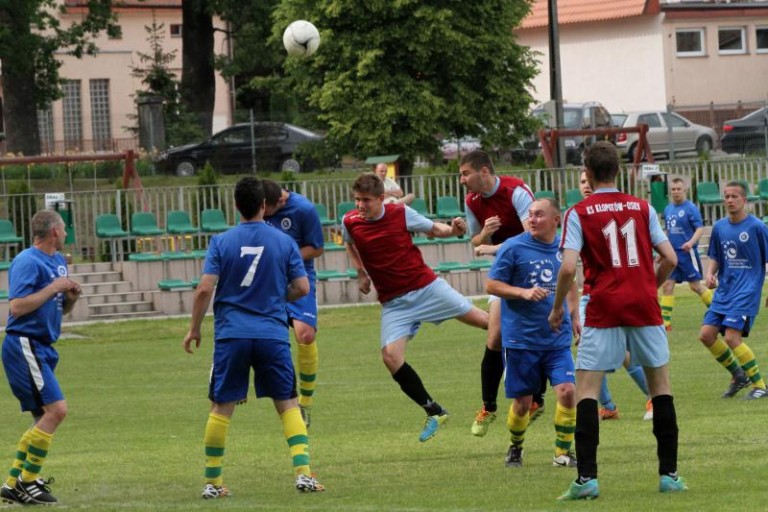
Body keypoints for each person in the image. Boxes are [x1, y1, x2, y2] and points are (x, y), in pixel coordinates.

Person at [549, 141, 686, 500]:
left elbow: (567, 268)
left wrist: (557, 306)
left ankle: (587, 480)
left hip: (603, 308)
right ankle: (669, 475)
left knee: (587, 392)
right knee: (661, 389)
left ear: (588, 174)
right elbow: (670, 258)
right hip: (644, 307)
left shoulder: (579, 212)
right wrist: (647, 288)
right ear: (619, 171)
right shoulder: (642, 208)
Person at [182, 178, 324, 498]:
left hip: (232, 334)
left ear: (235, 207)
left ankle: (213, 483)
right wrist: (276, 297)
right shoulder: (284, 242)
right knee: (287, 403)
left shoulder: (221, 241)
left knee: (221, 406)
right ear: (264, 205)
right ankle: (303, 474)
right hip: (271, 334)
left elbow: (205, 288)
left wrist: (194, 329)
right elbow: (302, 288)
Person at [342, 172, 488, 442]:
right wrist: (361, 272)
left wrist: (453, 230)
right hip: (394, 303)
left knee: (487, 322)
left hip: (426, 288)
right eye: (357, 200)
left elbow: (434, 229)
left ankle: (532, 341)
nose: (360, 206)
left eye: (366, 201)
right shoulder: (350, 221)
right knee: (391, 358)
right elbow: (350, 243)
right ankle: (434, 410)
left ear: (381, 199)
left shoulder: (400, 213)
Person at [485, 197, 580, 469]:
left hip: (556, 338)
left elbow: (570, 280)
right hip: (521, 339)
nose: (533, 219)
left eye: (539, 215)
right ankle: (515, 446)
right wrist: (522, 292)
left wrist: (575, 315)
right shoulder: (514, 247)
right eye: (530, 215)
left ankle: (562, 453)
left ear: (556, 220)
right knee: (523, 403)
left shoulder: (565, 247)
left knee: (567, 391)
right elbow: (492, 284)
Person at [1, 210, 81, 506]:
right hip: (25, 344)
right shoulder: (27, 261)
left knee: (42, 419)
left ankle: (12, 484)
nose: (66, 233)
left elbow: (61, 307)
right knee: (56, 410)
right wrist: (54, 288)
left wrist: (70, 296)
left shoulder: (59, 262)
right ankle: (28, 481)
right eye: (64, 228)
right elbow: (18, 307)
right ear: (55, 232)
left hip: (44, 347)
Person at [458, 149, 537, 437]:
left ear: (484, 172)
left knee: (539, 335)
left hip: (533, 270)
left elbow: (534, 235)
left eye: (466, 174)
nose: (463, 180)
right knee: (495, 336)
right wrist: (486, 234)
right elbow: (475, 242)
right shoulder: (472, 201)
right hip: (504, 273)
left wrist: (492, 246)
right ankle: (488, 406)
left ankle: (537, 400)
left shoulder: (516, 191)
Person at [576, 170, 652, 422]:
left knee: (614, 354)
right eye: (582, 182)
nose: (586, 186)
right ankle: (608, 406)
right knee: (595, 353)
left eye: (589, 181)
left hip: (611, 294)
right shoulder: (579, 213)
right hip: (593, 294)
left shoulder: (611, 211)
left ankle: (650, 396)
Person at [697, 181, 768, 400]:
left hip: (746, 291)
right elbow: (716, 256)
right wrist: (710, 273)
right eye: (726, 196)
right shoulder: (719, 227)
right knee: (706, 335)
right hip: (725, 291)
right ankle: (738, 376)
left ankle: (760, 386)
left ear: (744, 200)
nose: (729, 200)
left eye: (734, 196)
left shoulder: (757, 227)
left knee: (731, 337)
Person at [263, 179, 324, 427]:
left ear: (280, 201)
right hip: (267, 280)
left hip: (298, 277)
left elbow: (317, 248)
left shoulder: (304, 209)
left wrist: (286, 258)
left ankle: (305, 402)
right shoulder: (258, 205)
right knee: (266, 341)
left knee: (305, 335)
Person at [660, 177, 713, 330]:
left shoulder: (690, 208)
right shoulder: (668, 209)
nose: (676, 192)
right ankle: (666, 323)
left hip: (686, 254)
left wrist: (690, 243)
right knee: (667, 285)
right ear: (670, 191)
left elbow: (699, 228)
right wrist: (663, 250)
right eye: (673, 189)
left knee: (695, 286)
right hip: (672, 254)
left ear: (685, 191)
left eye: (679, 189)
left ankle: (719, 311)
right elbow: (668, 231)